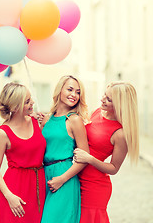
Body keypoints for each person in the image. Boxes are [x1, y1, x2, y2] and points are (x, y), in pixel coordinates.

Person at [73, 81, 139, 223]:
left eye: (109, 99)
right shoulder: (97, 112)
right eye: (105, 94)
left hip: (94, 186)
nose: (103, 99)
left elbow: (114, 168)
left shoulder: (120, 133)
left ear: (121, 106)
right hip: (76, 176)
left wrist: (89, 158)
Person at [0, 82, 46, 223]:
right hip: (15, 191)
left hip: (39, 185)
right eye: (27, 101)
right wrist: (9, 196)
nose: (32, 102)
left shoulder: (36, 121)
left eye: (30, 98)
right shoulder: (3, 133)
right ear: (15, 107)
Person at [40, 75, 90, 223]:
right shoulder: (48, 119)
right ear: (59, 90)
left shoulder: (74, 120)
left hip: (64, 178)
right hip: (44, 177)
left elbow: (84, 158)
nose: (74, 95)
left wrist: (62, 179)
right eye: (70, 89)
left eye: (78, 92)